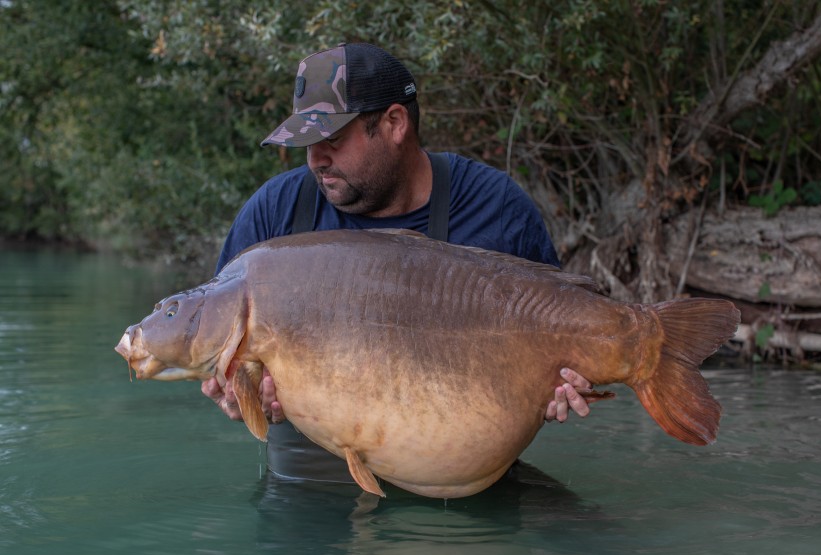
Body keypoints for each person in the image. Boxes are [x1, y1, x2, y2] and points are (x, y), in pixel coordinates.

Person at [201, 42, 593, 484]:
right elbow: (220, 356)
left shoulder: (496, 207)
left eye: (331, 139)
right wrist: (235, 397)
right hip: (311, 485)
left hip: (460, 478)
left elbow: (562, 329)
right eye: (306, 143)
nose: (315, 160)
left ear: (394, 123)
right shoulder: (274, 214)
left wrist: (561, 382)